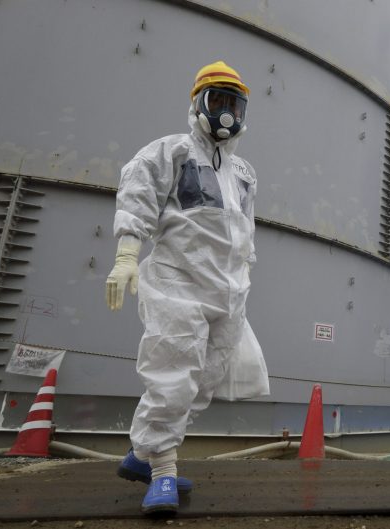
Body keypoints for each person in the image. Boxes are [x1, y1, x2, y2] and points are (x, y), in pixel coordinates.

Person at [105, 61, 257, 514]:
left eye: (235, 104)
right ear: (198, 103)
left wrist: (246, 271)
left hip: (228, 291)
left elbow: (245, 229)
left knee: (204, 382)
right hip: (178, 284)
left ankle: (141, 455)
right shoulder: (168, 153)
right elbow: (137, 198)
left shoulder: (245, 172)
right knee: (172, 377)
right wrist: (127, 257)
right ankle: (163, 471)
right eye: (219, 101)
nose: (227, 114)